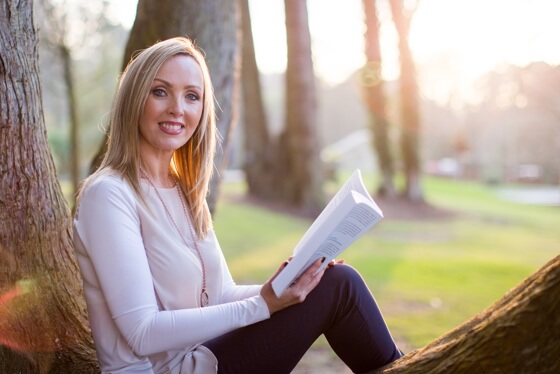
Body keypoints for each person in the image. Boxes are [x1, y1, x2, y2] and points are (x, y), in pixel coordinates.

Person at [73, 36, 403, 374]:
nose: (177, 108)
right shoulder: (109, 194)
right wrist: (263, 304)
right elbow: (142, 332)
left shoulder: (183, 190)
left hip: (204, 358)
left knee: (333, 281)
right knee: (340, 287)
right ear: (133, 100)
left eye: (192, 96)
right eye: (160, 91)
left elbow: (220, 294)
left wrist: (283, 287)